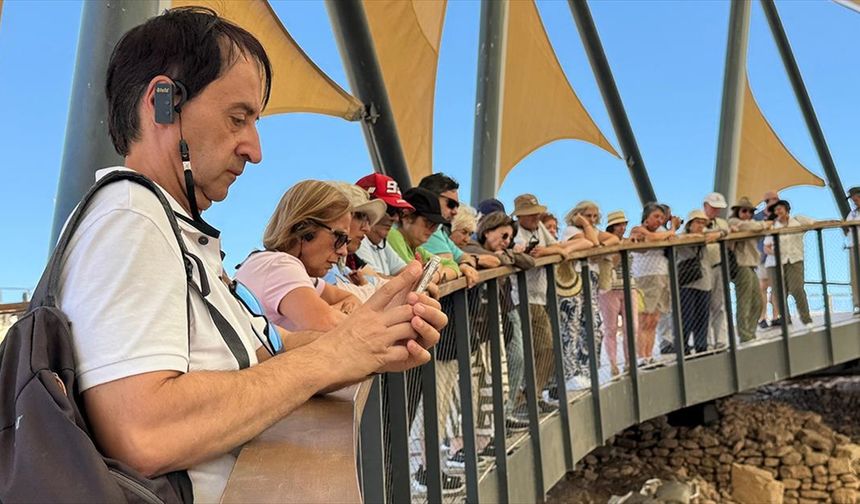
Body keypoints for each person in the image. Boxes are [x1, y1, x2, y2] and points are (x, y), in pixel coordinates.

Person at [54, 8, 445, 502]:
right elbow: (142, 432)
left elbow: (262, 357)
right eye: (238, 118)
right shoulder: (130, 217)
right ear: (162, 104)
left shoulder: (172, 229)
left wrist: (375, 332)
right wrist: (337, 353)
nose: (254, 149)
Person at [235, 180, 366, 331]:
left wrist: (335, 313)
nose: (344, 251)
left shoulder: (274, 265)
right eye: (339, 238)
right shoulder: (280, 266)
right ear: (304, 228)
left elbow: (349, 298)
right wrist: (335, 315)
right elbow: (338, 332)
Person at [462, 211, 535, 431]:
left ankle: (504, 413)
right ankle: (488, 425)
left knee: (514, 360)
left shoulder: (499, 251)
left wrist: (508, 255)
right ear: (487, 231)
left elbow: (528, 261)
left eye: (509, 238)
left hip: (500, 314)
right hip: (480, 320)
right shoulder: (472, 248)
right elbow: (487, 258)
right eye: (503, 236)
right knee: (486, 374)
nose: (506, 242)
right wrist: (508, 256)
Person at [559, 201, 614, 386]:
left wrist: (594, 239)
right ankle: (571, 374)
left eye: (594, 216)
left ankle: (588, 370)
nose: (592, 219)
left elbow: (612, 240)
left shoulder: (591, 230)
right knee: (572, 327)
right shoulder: (570, 231)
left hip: (591, 279)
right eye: (587, 215)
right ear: (578, 215)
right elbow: (593, 244)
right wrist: (586, 227)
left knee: (592, 326)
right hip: (574, 281)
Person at [630, 203, 679, 363]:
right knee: (645, 318)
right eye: (656, 217)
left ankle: (649, 355)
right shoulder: (637, 229)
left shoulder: (663, 231)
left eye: (662, 218)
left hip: (662, 275)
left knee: (654, 319)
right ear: (646, 217)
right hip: (645, 276)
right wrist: (672, 229)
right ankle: (641, 356)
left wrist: (669, 232)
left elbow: (672, 239)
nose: (659, 221)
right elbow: (651, 238)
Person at [418, 173, 481, 286]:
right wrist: (459, 267)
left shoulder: (438, 230)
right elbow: (449, 261)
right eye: (451, 204)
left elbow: (457, 260)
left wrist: (463, 264)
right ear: (430, 197)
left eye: (457, 205)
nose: (455, 211)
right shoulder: (428, 230)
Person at [597, 211, 639, 376]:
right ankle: (613, 363)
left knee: (632, 326)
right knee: (611, 328)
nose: (623, 228)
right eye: (619, 224)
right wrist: (619, 249)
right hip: (609, 289)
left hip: (629, 286)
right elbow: (611, 264)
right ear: (612, 227)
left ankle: (630, 361)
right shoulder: (606, 243)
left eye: (624, 224)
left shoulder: (629, 241)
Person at [727, 196, 774, 343]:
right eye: (744, 211)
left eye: (750, 211)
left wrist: (760, 226)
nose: (747, 214)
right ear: (737, 212)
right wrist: (763, 225)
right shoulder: (734, 222)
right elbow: (752, 227)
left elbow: (754, 226)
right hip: (741, 265)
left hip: (751, 265)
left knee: (757, 302)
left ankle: (750, 332)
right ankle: (744, 334)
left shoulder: (750, 223)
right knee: (744, 301)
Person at [763, 199, 815, 329]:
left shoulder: (797, 221)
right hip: (775, 262)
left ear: (787, 209)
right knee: (779, 292)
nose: (778, 211)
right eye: (776, 210)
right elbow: (766, 247)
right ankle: (786, 320)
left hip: (794, 259)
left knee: (797, 288)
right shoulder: (773, 226)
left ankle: (806, 319)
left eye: (780, 208)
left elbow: (814, 223)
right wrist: (776, 252)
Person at [354, 173, 414, 277]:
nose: (395, 218)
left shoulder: (380, 241)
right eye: (390, 210)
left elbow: (406, 272)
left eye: (399, 212)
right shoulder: (356, 240)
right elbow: (375, 280)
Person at [677, 211, 720, 354]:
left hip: (704, 280)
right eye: (697, 222)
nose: (701, 226)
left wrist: (713, 235)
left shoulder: (707, 236)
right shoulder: (682, 238)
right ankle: (683, 346)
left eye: (703, 223)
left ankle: (701, 345)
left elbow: (724, 232)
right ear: (689, 224)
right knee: (686, 316)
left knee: (702, 316)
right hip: (687, 281)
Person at [703, 192, 730, 349]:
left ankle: (720, 339)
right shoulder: (697, 222)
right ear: (705, 206)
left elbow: (726, 232)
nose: (715, 211)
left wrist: (718, 234)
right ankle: (704, 341)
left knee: (719, 304)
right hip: (701, 269)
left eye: (717, 208)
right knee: (703, 306)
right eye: (713, 208)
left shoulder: (721, 223)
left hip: (718, 266)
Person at [756, 190, 781, 327]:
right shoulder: (757, 217)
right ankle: (762, 317)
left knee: (776, 287)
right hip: (762, 256)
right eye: (773, 199)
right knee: (762, 287)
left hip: (777, 257)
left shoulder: (780, 215)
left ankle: (777, 315)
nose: (776, 201)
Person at [844, 187, 860, 315]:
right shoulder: (852, 214)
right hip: (854, 245)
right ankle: (857, 303)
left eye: (856, 197)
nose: (855, 201)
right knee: (855, 276)